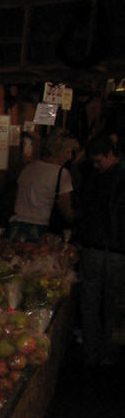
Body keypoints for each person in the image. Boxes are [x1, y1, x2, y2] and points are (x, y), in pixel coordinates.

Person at [75, 133, 125, 366]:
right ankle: (103, 353)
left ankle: (94, 352)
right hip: (110, 251)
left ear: (109, 154)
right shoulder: (107, 177)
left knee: (93, 302)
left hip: (102, 249)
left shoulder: (95, 180)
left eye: (98, 161)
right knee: (109, 304)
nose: (96, 167)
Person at [8, 130, 79, 241]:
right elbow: (66, 212)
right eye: (68, 152)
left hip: (16, 225)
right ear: (58, 151)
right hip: (41, 228)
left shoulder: (28, 167)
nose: (69, 157)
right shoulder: (61, 174)